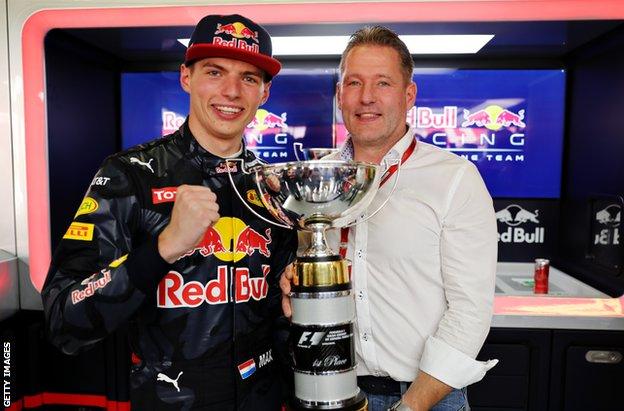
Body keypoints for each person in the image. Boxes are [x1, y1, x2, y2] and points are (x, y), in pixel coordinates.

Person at [42, 14, 297, 410]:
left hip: (263, 398)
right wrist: (162, 249)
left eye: (248, 78)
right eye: (214, 72)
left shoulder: (273, 188)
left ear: (264, 93)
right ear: (186, 77)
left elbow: (282, 321)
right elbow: (63, 322)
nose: (231, 91)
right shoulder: (128, 176)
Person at [281, 26, 498, 411]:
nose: (367, 98)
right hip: (329, 388)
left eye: (383, 83)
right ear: (339, 94)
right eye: (354, 83)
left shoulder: (454, 179)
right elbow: (302, 269)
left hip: (426, 396)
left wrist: (412, 406)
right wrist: (293, 282)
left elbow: (470, 310)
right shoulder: (313, 179)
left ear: (408, 95)